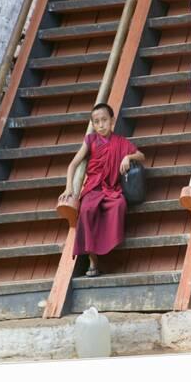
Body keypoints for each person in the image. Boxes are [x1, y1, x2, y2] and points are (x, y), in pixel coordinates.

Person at [58, 103, 145, 277]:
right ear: (93, 124)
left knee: (119, 204)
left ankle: (108, 250)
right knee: (86, 210)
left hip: (111, 188)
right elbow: (73, 164)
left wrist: (128, 156)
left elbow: (141, 156)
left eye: (104, 120)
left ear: (112, 121)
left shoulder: (120, 142)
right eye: (96, 122)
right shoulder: (90, 140)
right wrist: (69, 187)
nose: (101, 125)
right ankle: (93, 260)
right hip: (93, 188)